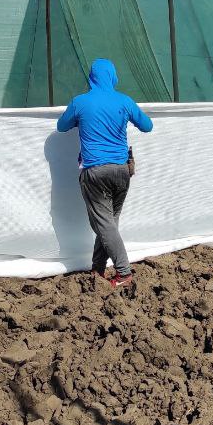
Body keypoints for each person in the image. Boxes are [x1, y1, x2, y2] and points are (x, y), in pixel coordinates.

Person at [56, 58, 153, 288]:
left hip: (95, 172)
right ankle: (98, 268)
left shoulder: (80, 102)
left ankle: (124, 272)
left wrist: (82, 121)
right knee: (108, 222)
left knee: (104, 224)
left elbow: (61, 126)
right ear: (113, 77)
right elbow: (147, 126)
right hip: (122, 172)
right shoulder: (124, 101)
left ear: (91, 78)